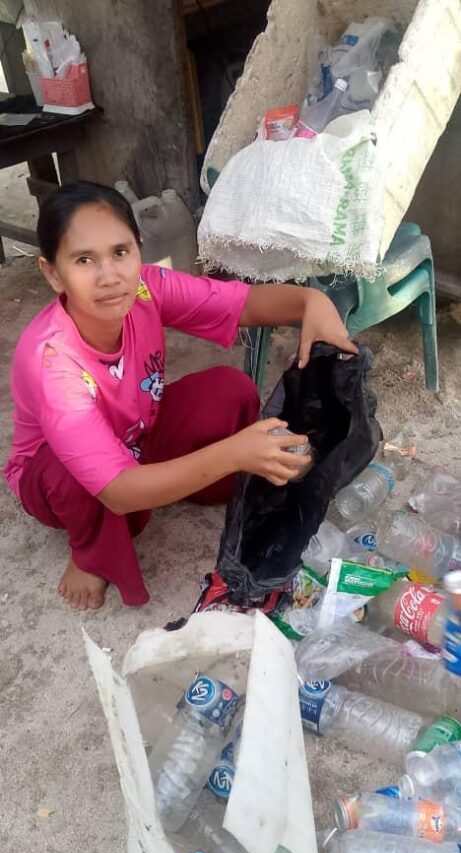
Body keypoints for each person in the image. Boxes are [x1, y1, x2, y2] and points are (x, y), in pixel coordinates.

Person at [3, 181, 356, 611]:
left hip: (135, 435)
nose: (109, 276)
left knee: (228, 389)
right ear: (53, 273)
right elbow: (116, 489)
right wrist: (232, 453)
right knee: (78, 478)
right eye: (83, 260)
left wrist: (310, 301)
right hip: (60, 478)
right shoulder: (51, 360)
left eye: (120, 252)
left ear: (138, 248)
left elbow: (242, 305)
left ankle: (193, 479)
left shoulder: (146, 288)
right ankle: (90, 550)